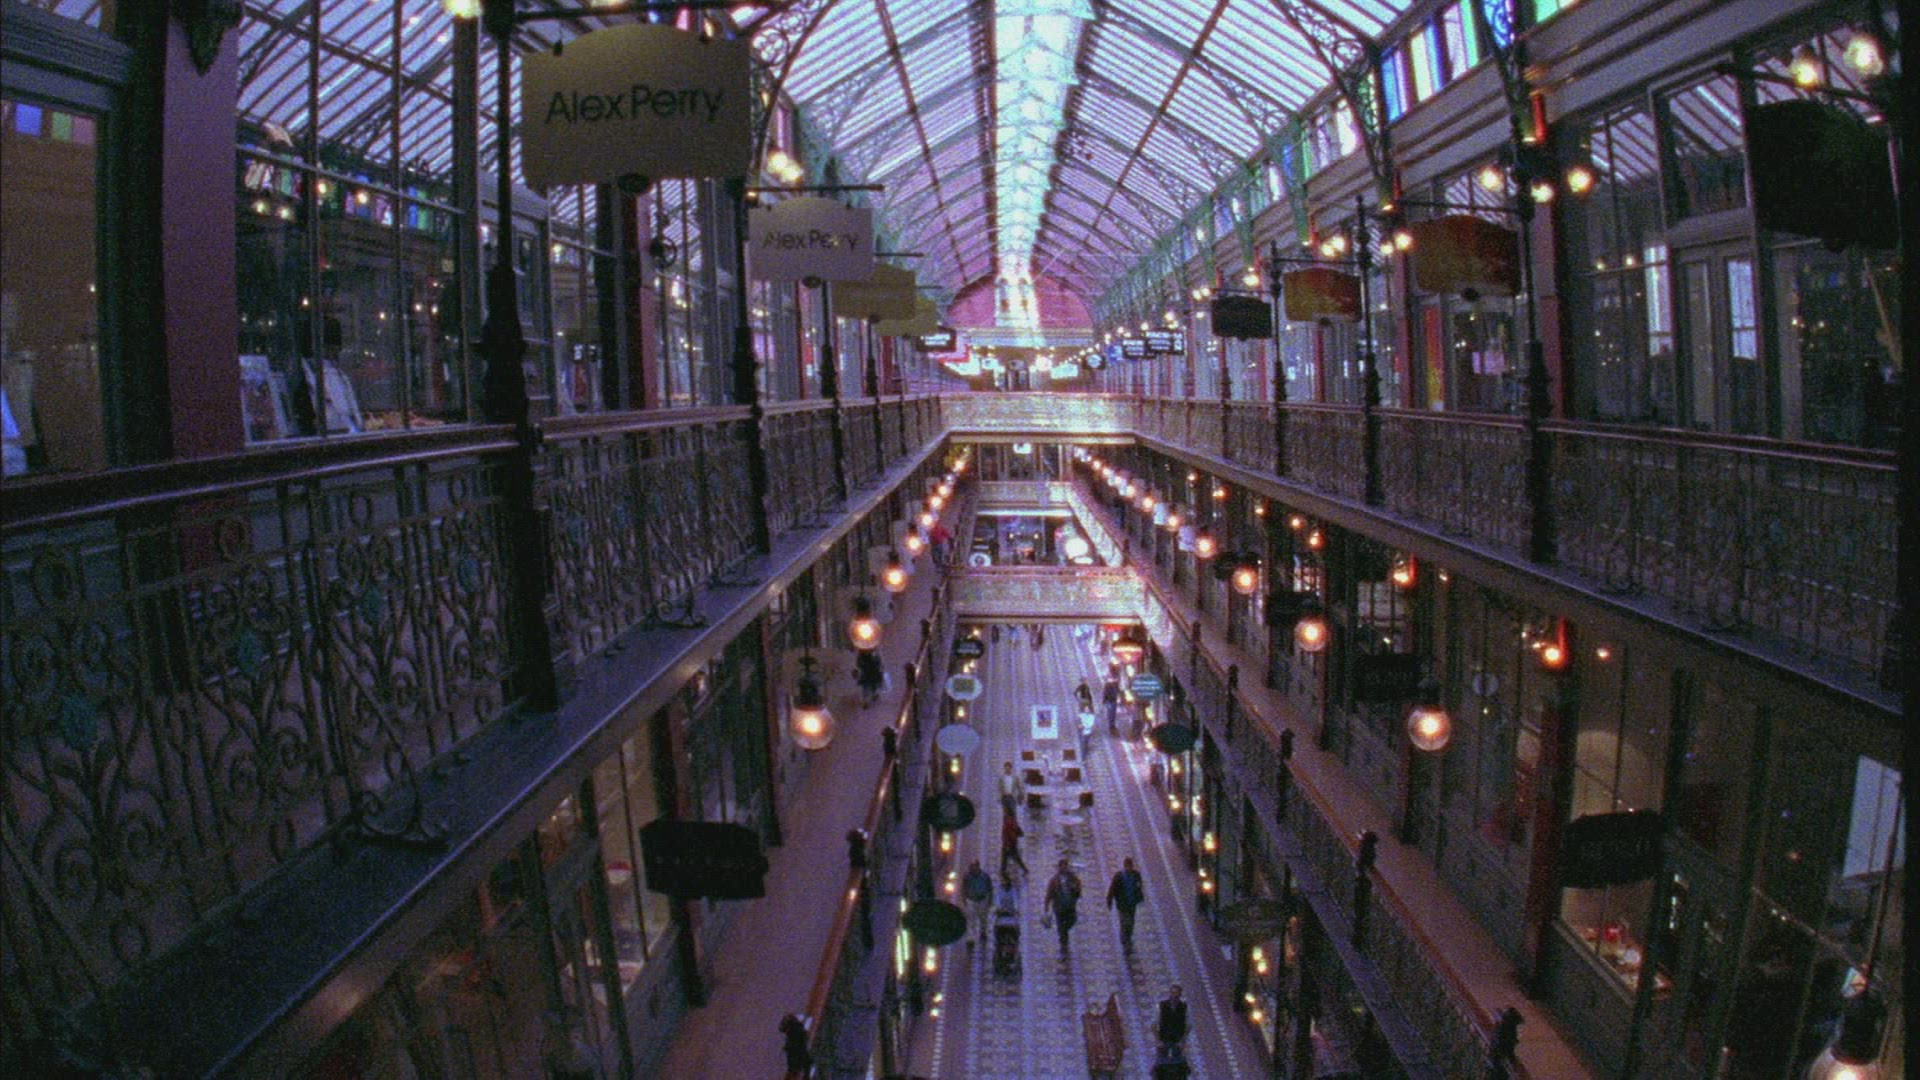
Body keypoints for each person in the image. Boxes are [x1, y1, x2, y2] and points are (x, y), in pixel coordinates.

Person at [1106, 857, 1146, 954]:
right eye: (1128, 866)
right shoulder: (1119, 876)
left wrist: (1139, 897)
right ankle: (1125, 942)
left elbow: (1139, 886)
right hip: (1122, 904)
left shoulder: (1136, 875)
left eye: (1130, 866)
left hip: (1132, 904)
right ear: (1125, 866)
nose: (1129, 868)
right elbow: (1112, 889)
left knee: (1131, 922)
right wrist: (1109, 900)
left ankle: (1128, 938)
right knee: (1125, 922)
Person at [1043, 858, 1082, 957]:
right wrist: (1046, 906)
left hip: (1070, 907)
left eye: (1066, 866)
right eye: (1062, 866)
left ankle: (1064, 934)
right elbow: (1049, 893)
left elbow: (1078, 888)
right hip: (1059, 908)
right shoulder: (1054, 880)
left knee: (1072, 920)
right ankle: (1064, 947)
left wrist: (1075, 888)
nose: (1064, 868)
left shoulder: (1072, 877)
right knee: (1061, 929)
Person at [962, 859, 995, 947]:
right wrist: (964, 899)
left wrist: (990, 900)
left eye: (973, 866)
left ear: (978, 866)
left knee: (983, 918)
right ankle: (970, 939)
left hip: (982, 900)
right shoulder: (967, 877)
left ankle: (983, 932)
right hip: (971, 900)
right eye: (971, 867)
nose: (971, 868)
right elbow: (964, 888)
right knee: (971, 920)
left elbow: (990, 889)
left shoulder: (985, 876)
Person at [1156, 984, 1189, 1060]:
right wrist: (1158, 1040)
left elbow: (1188, 1025)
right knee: (1162, 1060)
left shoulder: (1184, 1007)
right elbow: (1154, 1024)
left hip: (1178, 1038)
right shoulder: (1161, 1005)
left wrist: (1183, 1040)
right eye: (1172, 993)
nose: (1174, 995)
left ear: (1180, 994)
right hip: (1164, 1037)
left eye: (1176, 993)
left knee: (1177, 1059)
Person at [1000, 812, 1028, 877]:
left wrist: (1007, 844)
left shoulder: (1008, 823)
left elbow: (1007, 835)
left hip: (1009, 844)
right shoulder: (1012, 822)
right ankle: (1003, 870)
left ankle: (1003, 871)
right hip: (1011, 843)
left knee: (1007, 857)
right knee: (1009, 857)